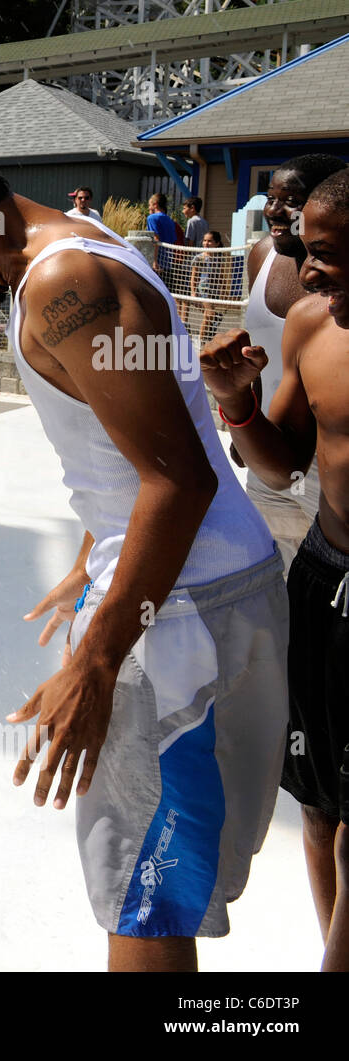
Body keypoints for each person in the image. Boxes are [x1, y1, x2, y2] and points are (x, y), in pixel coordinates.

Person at [0, 138, 283, 972]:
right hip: (210, 588)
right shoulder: (86, 247)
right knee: (164, 886)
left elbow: (176, 481)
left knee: (144, 902)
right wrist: (94, 551)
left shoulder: (60, 286)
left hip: (175, 618)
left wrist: (96, 660)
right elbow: (134, 442)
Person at [199, 168, 349, 972]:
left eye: (324, 254)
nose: (309, 270)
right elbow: (283, 463)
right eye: (305, 251)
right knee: (322, 809)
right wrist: (238, 403)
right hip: (324, 580)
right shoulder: (313, 330)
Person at [242, 154, 346, 569]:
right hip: (274, 444)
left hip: (327, 463)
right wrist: (246, 419)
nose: (273, 210)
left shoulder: (331, 297)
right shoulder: (262, 257)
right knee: (270, 577)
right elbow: (257, 353)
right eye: (271, 197)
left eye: (291, 200)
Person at [187, 230, 227, 346]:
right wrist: (193, 292)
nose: (206, 243)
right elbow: (194, 277)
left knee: (210, 316)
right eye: (204, 240)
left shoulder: (219, 258)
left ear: (217, 243)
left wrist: (224, 291)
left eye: (210, 241)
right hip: (203, 289)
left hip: (214, 291)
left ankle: (207, 339)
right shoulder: (199, 258)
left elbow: (221, 276)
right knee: (209, 314)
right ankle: (201, 342)